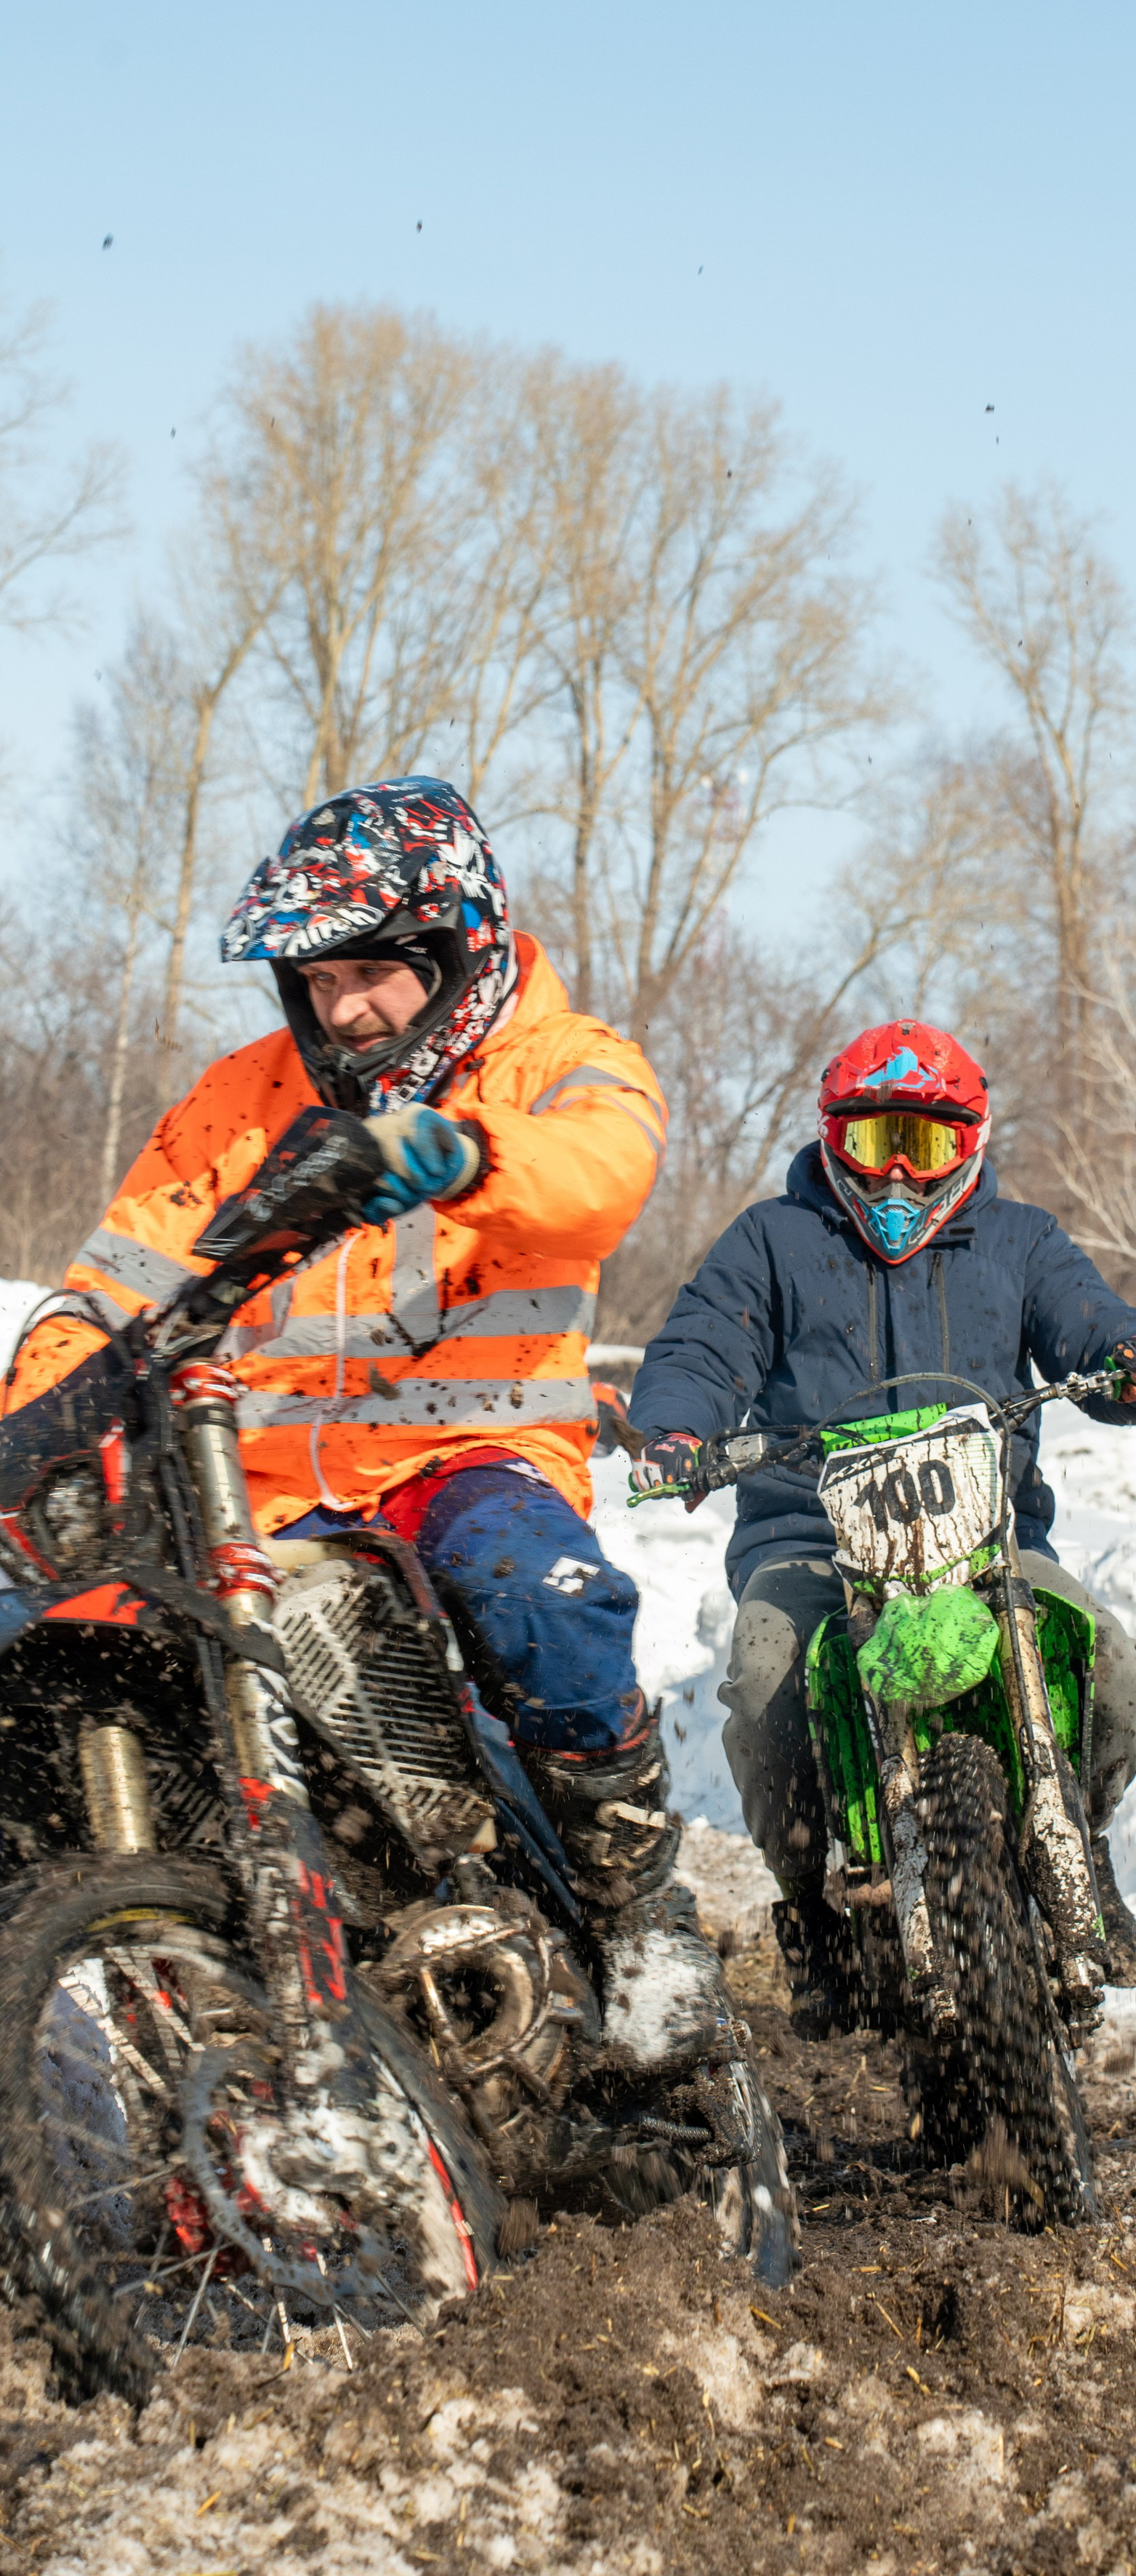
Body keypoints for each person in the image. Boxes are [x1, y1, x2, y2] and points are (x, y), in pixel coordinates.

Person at [4, 776, 721, 2079]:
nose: (342, 1008)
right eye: (315, 978)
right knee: (41, 1637)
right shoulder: (243, 1096)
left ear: (459, 948)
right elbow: (112, 1280)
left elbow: (599, 1179)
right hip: (253, 1490)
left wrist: (457, 1151)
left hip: (467, 1459)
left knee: (537, 1594)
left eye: (374, 973)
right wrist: (45, 1412)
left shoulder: (566, 1062)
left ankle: (639, 1909)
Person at [626, 1016, 1136, 2028]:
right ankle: (812, 1913)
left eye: (921, 1144)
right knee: (761, 1684)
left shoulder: (1022, 1243)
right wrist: (675, 1431)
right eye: (869, 1140)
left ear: (967, 1143)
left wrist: (1135, 1357)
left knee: (1104, 1659)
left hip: (989, 1544)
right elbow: (707, 1346)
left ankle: (1082, 1848)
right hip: (811, 1547)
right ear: (830, 1138)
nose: (893, 1175)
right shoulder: (774, 1240)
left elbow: (1088, 1323)